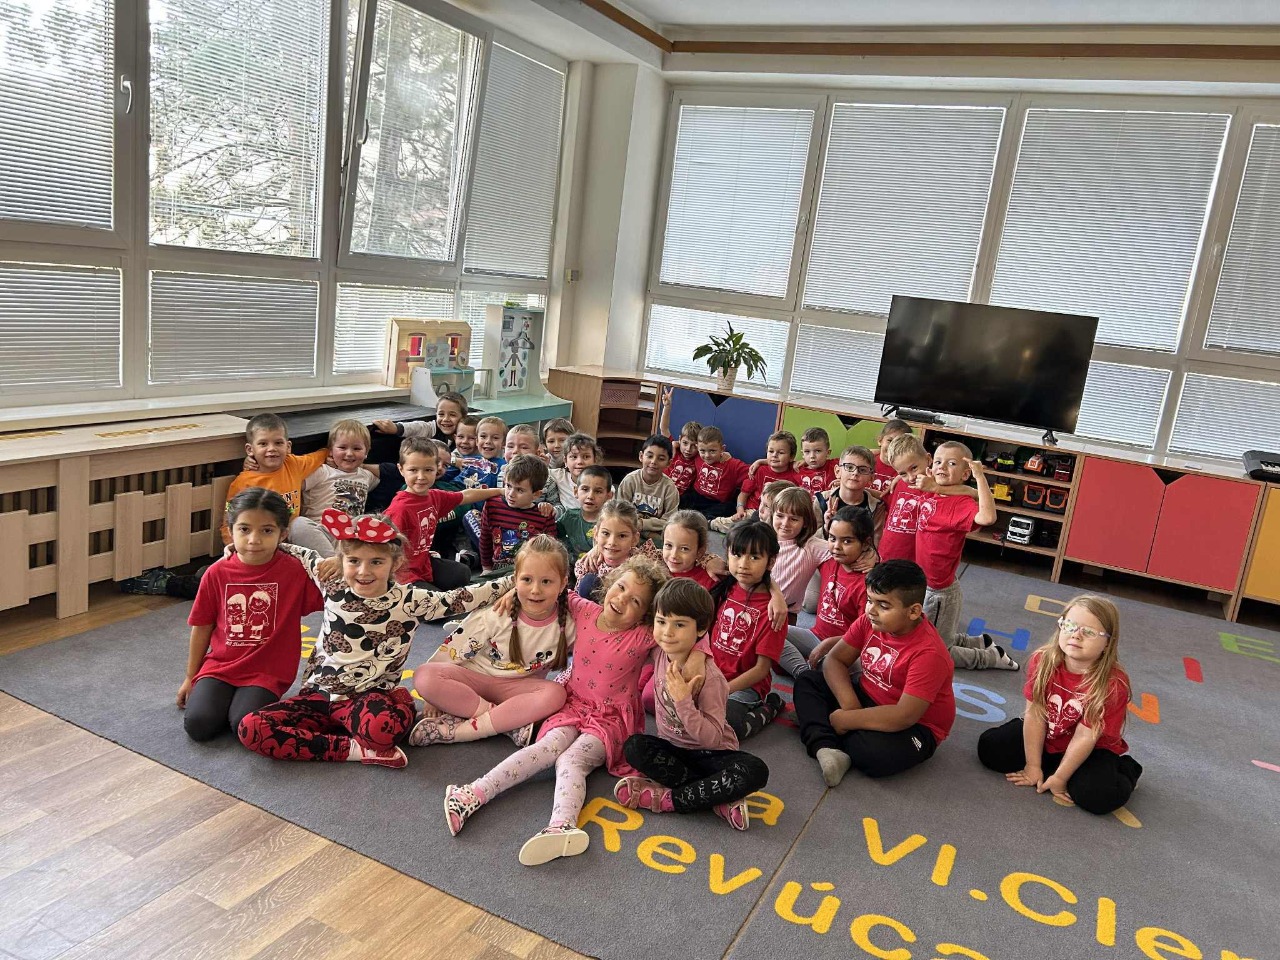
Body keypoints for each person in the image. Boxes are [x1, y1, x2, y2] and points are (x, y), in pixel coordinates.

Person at [442, 556, 680, 866]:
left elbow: (679, 631)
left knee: (571, 760)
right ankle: (473, 793)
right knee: (546, 748)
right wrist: (514, 592)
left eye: (635, 600)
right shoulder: (585, 610)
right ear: (610, 582)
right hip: (573, 704)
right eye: (621, 587)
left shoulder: (643, 635)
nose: (622, 599)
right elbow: (550, 591)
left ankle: (562, 826)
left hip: (610, 720)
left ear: (645, 613)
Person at [236, 511, 511, 767]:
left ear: (395, 563)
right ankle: (355, 750)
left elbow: (465, 597)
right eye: (354, 561)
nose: (363, 572)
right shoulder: (332, 583)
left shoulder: (411, 600)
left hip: (367, 699)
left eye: (376, 562)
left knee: (382, 731)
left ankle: (388, 714)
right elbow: (299, 553)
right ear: (341, 560)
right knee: (251, 728)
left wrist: (515, 582)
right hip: (318, 695)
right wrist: (239, 552)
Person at [616, 578, 769, 831]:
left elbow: (711, 739)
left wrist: (683, 701)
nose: (667, 632)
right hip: (675, 752)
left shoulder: (711, 679)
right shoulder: (659, 651)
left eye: (679, 625)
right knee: (634, 747)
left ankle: (669, 800)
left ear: (701, 629)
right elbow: (637, 622)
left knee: (755, 770)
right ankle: (714, 796)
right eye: (661, 622)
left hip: (711, 755)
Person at [792, 559, 956, 786]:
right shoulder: (869, 621)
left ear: (913, 611)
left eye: (884, 605)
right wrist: (850, 708)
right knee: (807, 681)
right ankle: (826, 748)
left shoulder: (929, 654)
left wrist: (847, 719)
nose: (871, 610)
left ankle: (818, 724)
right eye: (870, 600)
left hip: (915, 725)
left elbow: (904, 716)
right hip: (867, 697)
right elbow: (835, 660)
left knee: (873, 754)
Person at [178, 489, 324, 742]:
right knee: (198, 725)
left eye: (267, 530)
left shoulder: (295, 571)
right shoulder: (216, 573)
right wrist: (191, 677)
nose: (254, 540)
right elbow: (202, 626)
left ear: (283, 534)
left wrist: (335, 563)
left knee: (244, 725)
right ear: (230, 531)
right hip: (220, 667)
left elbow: (337, 598)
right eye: (244, 529)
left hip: (267, 673)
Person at [977, 596, 1142, 815]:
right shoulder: (1043, 660)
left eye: (1089, 632)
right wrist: (1032, 765)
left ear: (1108, 643)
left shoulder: (1113, 684)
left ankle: (1127, 768)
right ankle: (1050, 764)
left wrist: (1061, 778)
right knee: (990, 749)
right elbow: (1034, 715)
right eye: (1070, 625)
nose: (1076, 635)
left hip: (1092, 748)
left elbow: (1085, 737)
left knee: (1099, 797)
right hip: (1050, 732)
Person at [411, 535, 574, 748]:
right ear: (515, 580)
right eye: (527, 580)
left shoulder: (570, 624)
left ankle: (464, 730)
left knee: (555, 694)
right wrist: (432, 697)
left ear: (563, 584)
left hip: (516, 689)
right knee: (424, 675)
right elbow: (453, 648)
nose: (535, 590)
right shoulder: (497, 612)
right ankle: (506, 722)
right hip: (473, 680)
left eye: (546, 581)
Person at [916, 441, 1018, 671]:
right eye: (938, 461)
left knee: (937, 652)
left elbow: (988, 517)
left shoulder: (961, 503)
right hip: (925, 583)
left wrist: (980, 477)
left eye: (951, 463)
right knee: (931, 632)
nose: (942, 467)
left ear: (965, 474)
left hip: (940, 591)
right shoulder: (930, 490)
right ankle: (978, 642)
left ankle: (991, 658)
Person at [383, 437, 502, 588]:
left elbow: (466, 495)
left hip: (423, 564)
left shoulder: (435, 496)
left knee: (461, 574)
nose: (421, 477)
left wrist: (500, 491)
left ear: (436, 469)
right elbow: (386, 549)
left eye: (428, 470)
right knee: (434, 599)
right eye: (413, 470)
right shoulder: (400, 509)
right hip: (403, 575)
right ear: (401, 469)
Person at [707, 520, 788, 740]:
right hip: (711, 674)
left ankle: (770, 707)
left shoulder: (773, 611)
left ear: (771, 561)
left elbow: (761, 670)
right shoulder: (724, 585)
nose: (743, 564)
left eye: (754, 557)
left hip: (745, 686)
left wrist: (723, 689)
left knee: (724, 726)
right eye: (737, 554)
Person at [778, 506, 876, 677]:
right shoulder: (828, 560)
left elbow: (865, 634)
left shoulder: (869, 584)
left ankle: (812, 675)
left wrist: (828, 644)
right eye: (832, 538)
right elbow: (794, 541)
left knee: (842, 670)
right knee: (768, 631)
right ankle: (804, 674)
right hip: (815, 636)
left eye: (847, 541)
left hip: (845, 647)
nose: (837, 546)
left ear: (866, 543)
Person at [288, 419, 381, 557]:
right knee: (297, 524)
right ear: (331, 451)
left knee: (374, 519)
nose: (349, 453)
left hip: (350, 537)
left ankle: (339, 562)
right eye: (342, 448)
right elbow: (291, 483)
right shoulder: (322, 471)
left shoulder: (366, 476)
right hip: (321, 532)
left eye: (357, 449)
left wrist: (363, 465)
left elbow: (393, 473)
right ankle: (335, 562)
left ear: (366, 452)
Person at [478, 454, 556, 574]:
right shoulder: (492, 505)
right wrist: (486, 568)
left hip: (528, 573)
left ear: (536, 494)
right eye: (508, 486)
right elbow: (485, 539)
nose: (511, 494)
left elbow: (550, 551)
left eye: (519, 490)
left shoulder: (544, 514)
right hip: (496, 572)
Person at [816, 444, 887, 543]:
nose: (855, 473)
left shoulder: (876, 507)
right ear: (837, 471)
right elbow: (809, 541)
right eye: (849, 467)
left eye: (862, 470)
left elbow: (875, 544)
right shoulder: (821, 500)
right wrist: (826, 527)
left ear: (871, 478)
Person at [574, 500, 643, 599]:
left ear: (634, 539)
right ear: (596, 533)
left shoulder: (640, 564)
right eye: (606, 533)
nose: (612, 542)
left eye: (622, 536)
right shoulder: (590, 564)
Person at [680, 426, 749, 521]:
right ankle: (693, 517)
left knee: (728, 508)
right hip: (696, 496)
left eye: (712, 451)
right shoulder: (696, 456)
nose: (707, 455)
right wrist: (675, 444)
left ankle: (701, 519)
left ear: (722, 449)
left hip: (717, 503)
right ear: (697, 448)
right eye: (702, 451)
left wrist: (761, 462)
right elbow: (680, 444)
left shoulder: (733, 464)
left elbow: (753, 472)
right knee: (682, 499)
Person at [617, 434, 680, 537]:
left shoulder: (670, 488)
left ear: (669, 463)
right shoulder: (630, 480)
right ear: (641, 456)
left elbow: (670, 521)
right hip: (629, 527)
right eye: (650, 456)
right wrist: (634, 525)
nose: (653, 461)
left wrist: (643, 524)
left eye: (661, 459)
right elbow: (620, 511)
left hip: (655, 531)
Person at [734, 431, 801, 522]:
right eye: (771, 451)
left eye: (781, 452)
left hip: (779, 516)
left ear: (791, 457)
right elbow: (743, 494)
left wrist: (802, 462)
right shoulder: (759, 470)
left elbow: (813, 464)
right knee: (729, 523)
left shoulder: (796, 472)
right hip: (753, 511)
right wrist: (740, 509)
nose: (774, 455)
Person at [372, 391, 468, 451]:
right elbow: (418, 427)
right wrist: (396, 428)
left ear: (463, 416)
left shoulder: (469, 435)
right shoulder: (432, 428)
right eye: (441, 414)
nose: (446, 419)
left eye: (452, 415)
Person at [557, 465, 612, 561]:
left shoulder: (611, 522)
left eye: (598, 491)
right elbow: (553, 533)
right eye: (585, 489)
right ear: (576, 491)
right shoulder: (570, 517)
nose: (590, 496)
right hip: (572, 566)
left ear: (608, 496)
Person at [658, 386, 701, 496]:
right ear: (680, 439)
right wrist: (667, 407)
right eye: (685, 443)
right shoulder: (673, 450)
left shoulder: (699, 458)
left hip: (680, 497)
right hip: (660, 490)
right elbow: (664, 428)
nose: (688, 449)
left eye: (694, 445)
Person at [546, 432, 602, 517]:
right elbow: (539, 472)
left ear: (595, 460)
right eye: (574, 457)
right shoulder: (559, 476)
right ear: (565, 461)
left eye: (586, 457)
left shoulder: (602, 482)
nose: (579, 462)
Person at [873, 419, 913, 493]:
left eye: (899, 442)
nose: (893, 446)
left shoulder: (908, 471)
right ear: (880, 440)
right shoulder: (867, 461)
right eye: (890, 440)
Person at [795, 427, 837, 495]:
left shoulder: (834, 465)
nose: (812, 456)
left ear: (828, 453)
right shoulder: (797, 470)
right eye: (807, 451)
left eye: (818, 451)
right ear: (802, 454)